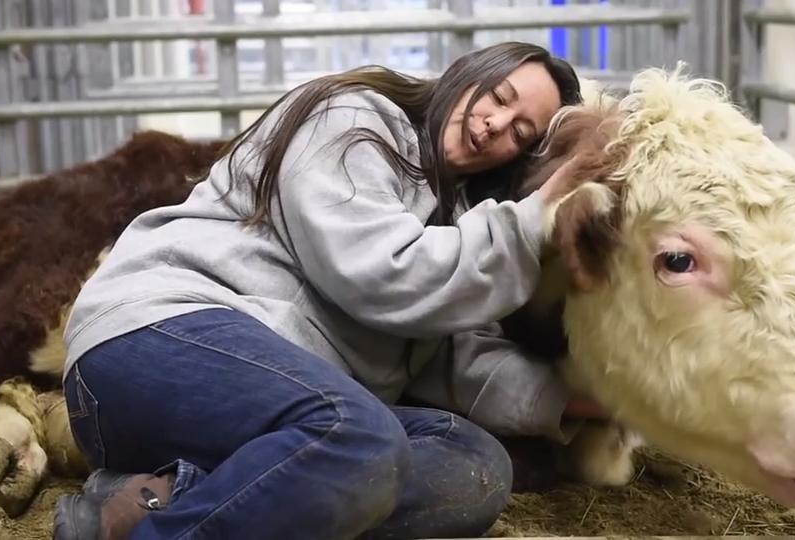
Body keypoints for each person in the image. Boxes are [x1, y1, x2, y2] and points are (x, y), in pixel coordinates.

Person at [53, 41, 604, 540]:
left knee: (473, 464)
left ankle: (159, 500)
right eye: (498, 97)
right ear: (465, 75)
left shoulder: (460, 227)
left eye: (518, 132)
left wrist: (589, 397)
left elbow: (458, 358)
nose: (492, 124)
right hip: (156, 341)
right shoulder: (354, 119)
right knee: (357, 437)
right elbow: (379, 273)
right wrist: (536, 218)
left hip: (265, 419)